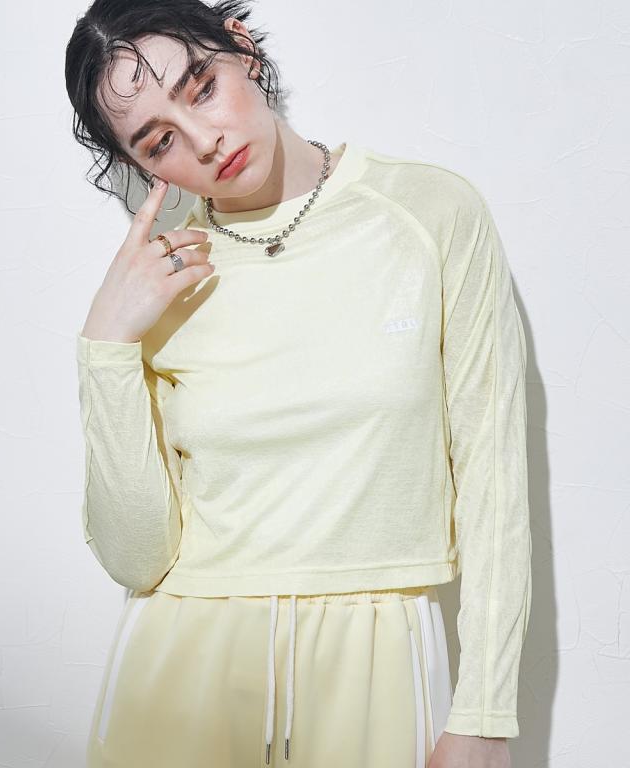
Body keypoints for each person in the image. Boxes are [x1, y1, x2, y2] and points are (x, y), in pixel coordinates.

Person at [65, 1, 532, 766]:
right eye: (160, 140)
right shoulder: (160, 283)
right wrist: (106, 347)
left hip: (376, 655)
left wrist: (484, 710)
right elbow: (136, 558)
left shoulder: (428, 215)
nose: (204, 140)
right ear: (145, 168)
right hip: (182, 668)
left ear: (242, 48)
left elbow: (493, 475)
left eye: (201, 87)